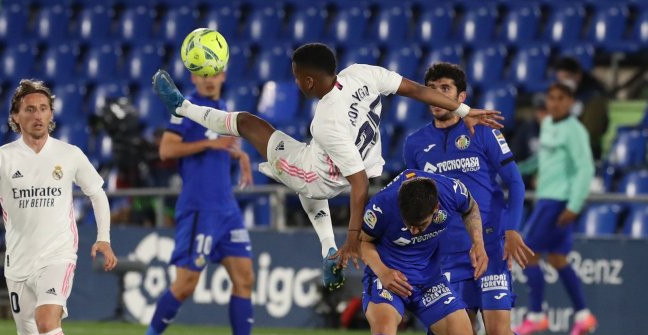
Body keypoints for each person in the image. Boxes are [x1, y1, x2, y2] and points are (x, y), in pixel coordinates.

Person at [152, 43, 503, 291]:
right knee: (305, 159)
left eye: (295, 77)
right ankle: (326, 250)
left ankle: (182, 107)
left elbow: (359, 185)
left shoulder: (327, 121)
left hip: (330, 176)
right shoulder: (362, 74)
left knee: (248, 123)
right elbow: (416, 90)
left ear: (307, 81)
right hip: (362, 162)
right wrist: (462, 110)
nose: (294, 83)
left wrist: (352, 241)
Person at [0, 79, 118, 335]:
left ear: (51, 115)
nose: (38, 115)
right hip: (18, 263)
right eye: (30, 109)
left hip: (58, 255)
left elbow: (97, 193)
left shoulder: (69, 154)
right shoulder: (2, 157)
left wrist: (104, 238)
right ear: (15, 116)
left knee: (48, 321)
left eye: (44, 109)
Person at [133, 70, 278, 335]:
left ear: (224, 75)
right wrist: (207, 146)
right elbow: (166, 150)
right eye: (202, 75)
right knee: (185, 285)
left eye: (214, 74)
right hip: (199, 209)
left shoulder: (223, 106)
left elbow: (221, 147)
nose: (209, 80)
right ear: (193, 78)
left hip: (226, 209)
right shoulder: (185, 108)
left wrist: (239, 157)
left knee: (245, 278)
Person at [403, 63, 539, 335]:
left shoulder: (483, 132)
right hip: (446, 252)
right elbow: (413, 198)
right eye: (431, 90)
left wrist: (512, 230)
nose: (437, 96)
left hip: (489, 246)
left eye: (445, 89)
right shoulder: (415, 144)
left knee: (498, 333)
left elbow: (515, 183)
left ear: (461, 96)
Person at [359, 170, 491, 335]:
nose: (413, 231)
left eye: (420, 225)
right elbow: (362, 242)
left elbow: (471, 208)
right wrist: (383, 272)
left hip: (429, 279)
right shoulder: (382, 205)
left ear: (436, 208)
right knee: (384, 326)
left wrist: (478, 242)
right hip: (389, 276)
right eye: (408, 224)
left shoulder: (451, 191)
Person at [515, 82, 597, 335]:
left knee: (527, 253)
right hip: (546, 199)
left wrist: (574, 205)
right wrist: (516, 170)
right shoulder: (549, 124)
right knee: (558, 259)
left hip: (558, 201)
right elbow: (542, 160)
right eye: (551, 98)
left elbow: (586, 169)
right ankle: (584, 316)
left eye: (561, 98)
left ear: (571, 101)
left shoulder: (576, 131)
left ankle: (536, 316)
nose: (555, 102)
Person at [554, 56, 609, 159]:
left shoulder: (593, 98)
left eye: (567, 77)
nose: (564, 82)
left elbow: (591, 132)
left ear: (578, 76)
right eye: (561, 79)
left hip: (587, 154)